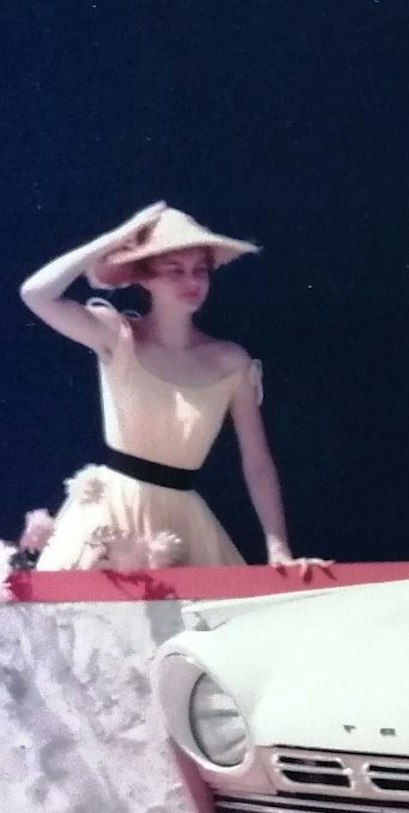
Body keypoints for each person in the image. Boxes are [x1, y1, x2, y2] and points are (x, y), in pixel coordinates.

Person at [18, 203, 320, 571]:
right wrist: (115, 239)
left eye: (200, 270)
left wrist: (278, 548)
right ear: (144, 278)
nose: (191, 282)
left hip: (184, 523)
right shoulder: (118, 335)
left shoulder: (230, 361)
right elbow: (35, 293)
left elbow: (257, 462)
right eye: (175, 270)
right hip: (110, 514)